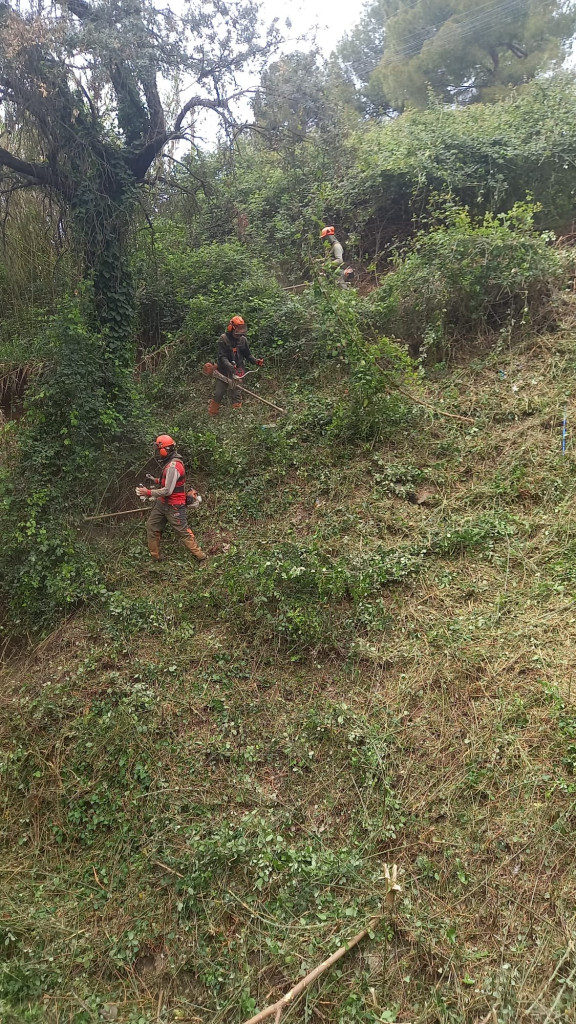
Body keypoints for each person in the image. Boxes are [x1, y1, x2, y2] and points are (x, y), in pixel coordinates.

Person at [136, 435, 206, 562]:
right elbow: (166, 482)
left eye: (159, 449)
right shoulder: (169, 464)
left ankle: (201, 556)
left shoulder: (173, 466)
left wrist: (148, 492)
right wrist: (154, 479)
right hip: (162, 503)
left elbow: (168, 490)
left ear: (165, 450)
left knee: (183, 532)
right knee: (151, 526)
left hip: (174, 506)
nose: (158, 452)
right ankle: (156, 557)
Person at [208, 315, 264, 416]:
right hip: (223, 371)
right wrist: (229, 366)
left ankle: (237, 415)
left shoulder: (243, 340)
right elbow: (222, 357)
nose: (240, 333)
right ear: (231, 328)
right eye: (238, 330)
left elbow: (248, 355)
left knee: (236, 392)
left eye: (242, 330)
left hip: (238, 371)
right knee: (219, 393)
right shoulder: (223, 339)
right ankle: (212, 414)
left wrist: (256, 361)